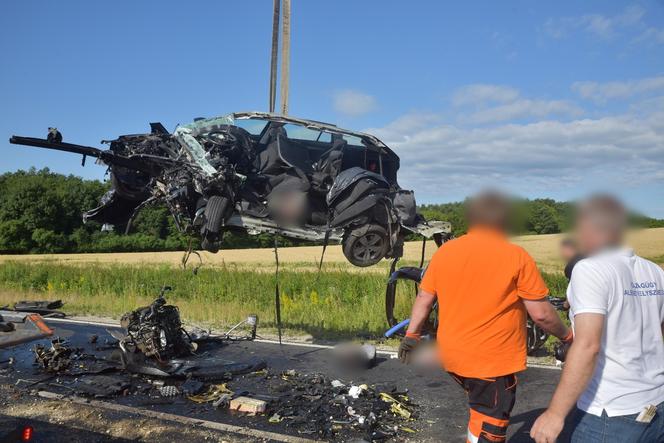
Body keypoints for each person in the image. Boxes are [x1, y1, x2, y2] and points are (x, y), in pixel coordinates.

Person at [399, 191, 572, 443]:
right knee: (491, 424)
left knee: (480, 408)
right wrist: (568, 336)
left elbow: (424, 299)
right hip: (491, 362)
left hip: (453, 357)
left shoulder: (446, 253)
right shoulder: (516, 256)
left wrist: (411, 336)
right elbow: (542, 315)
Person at [530, 195, 664, 443]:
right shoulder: (654, 271)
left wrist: (555, 414)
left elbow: (588, 345)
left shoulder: (590, 269)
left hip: (610, 411)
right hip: (656, 405)